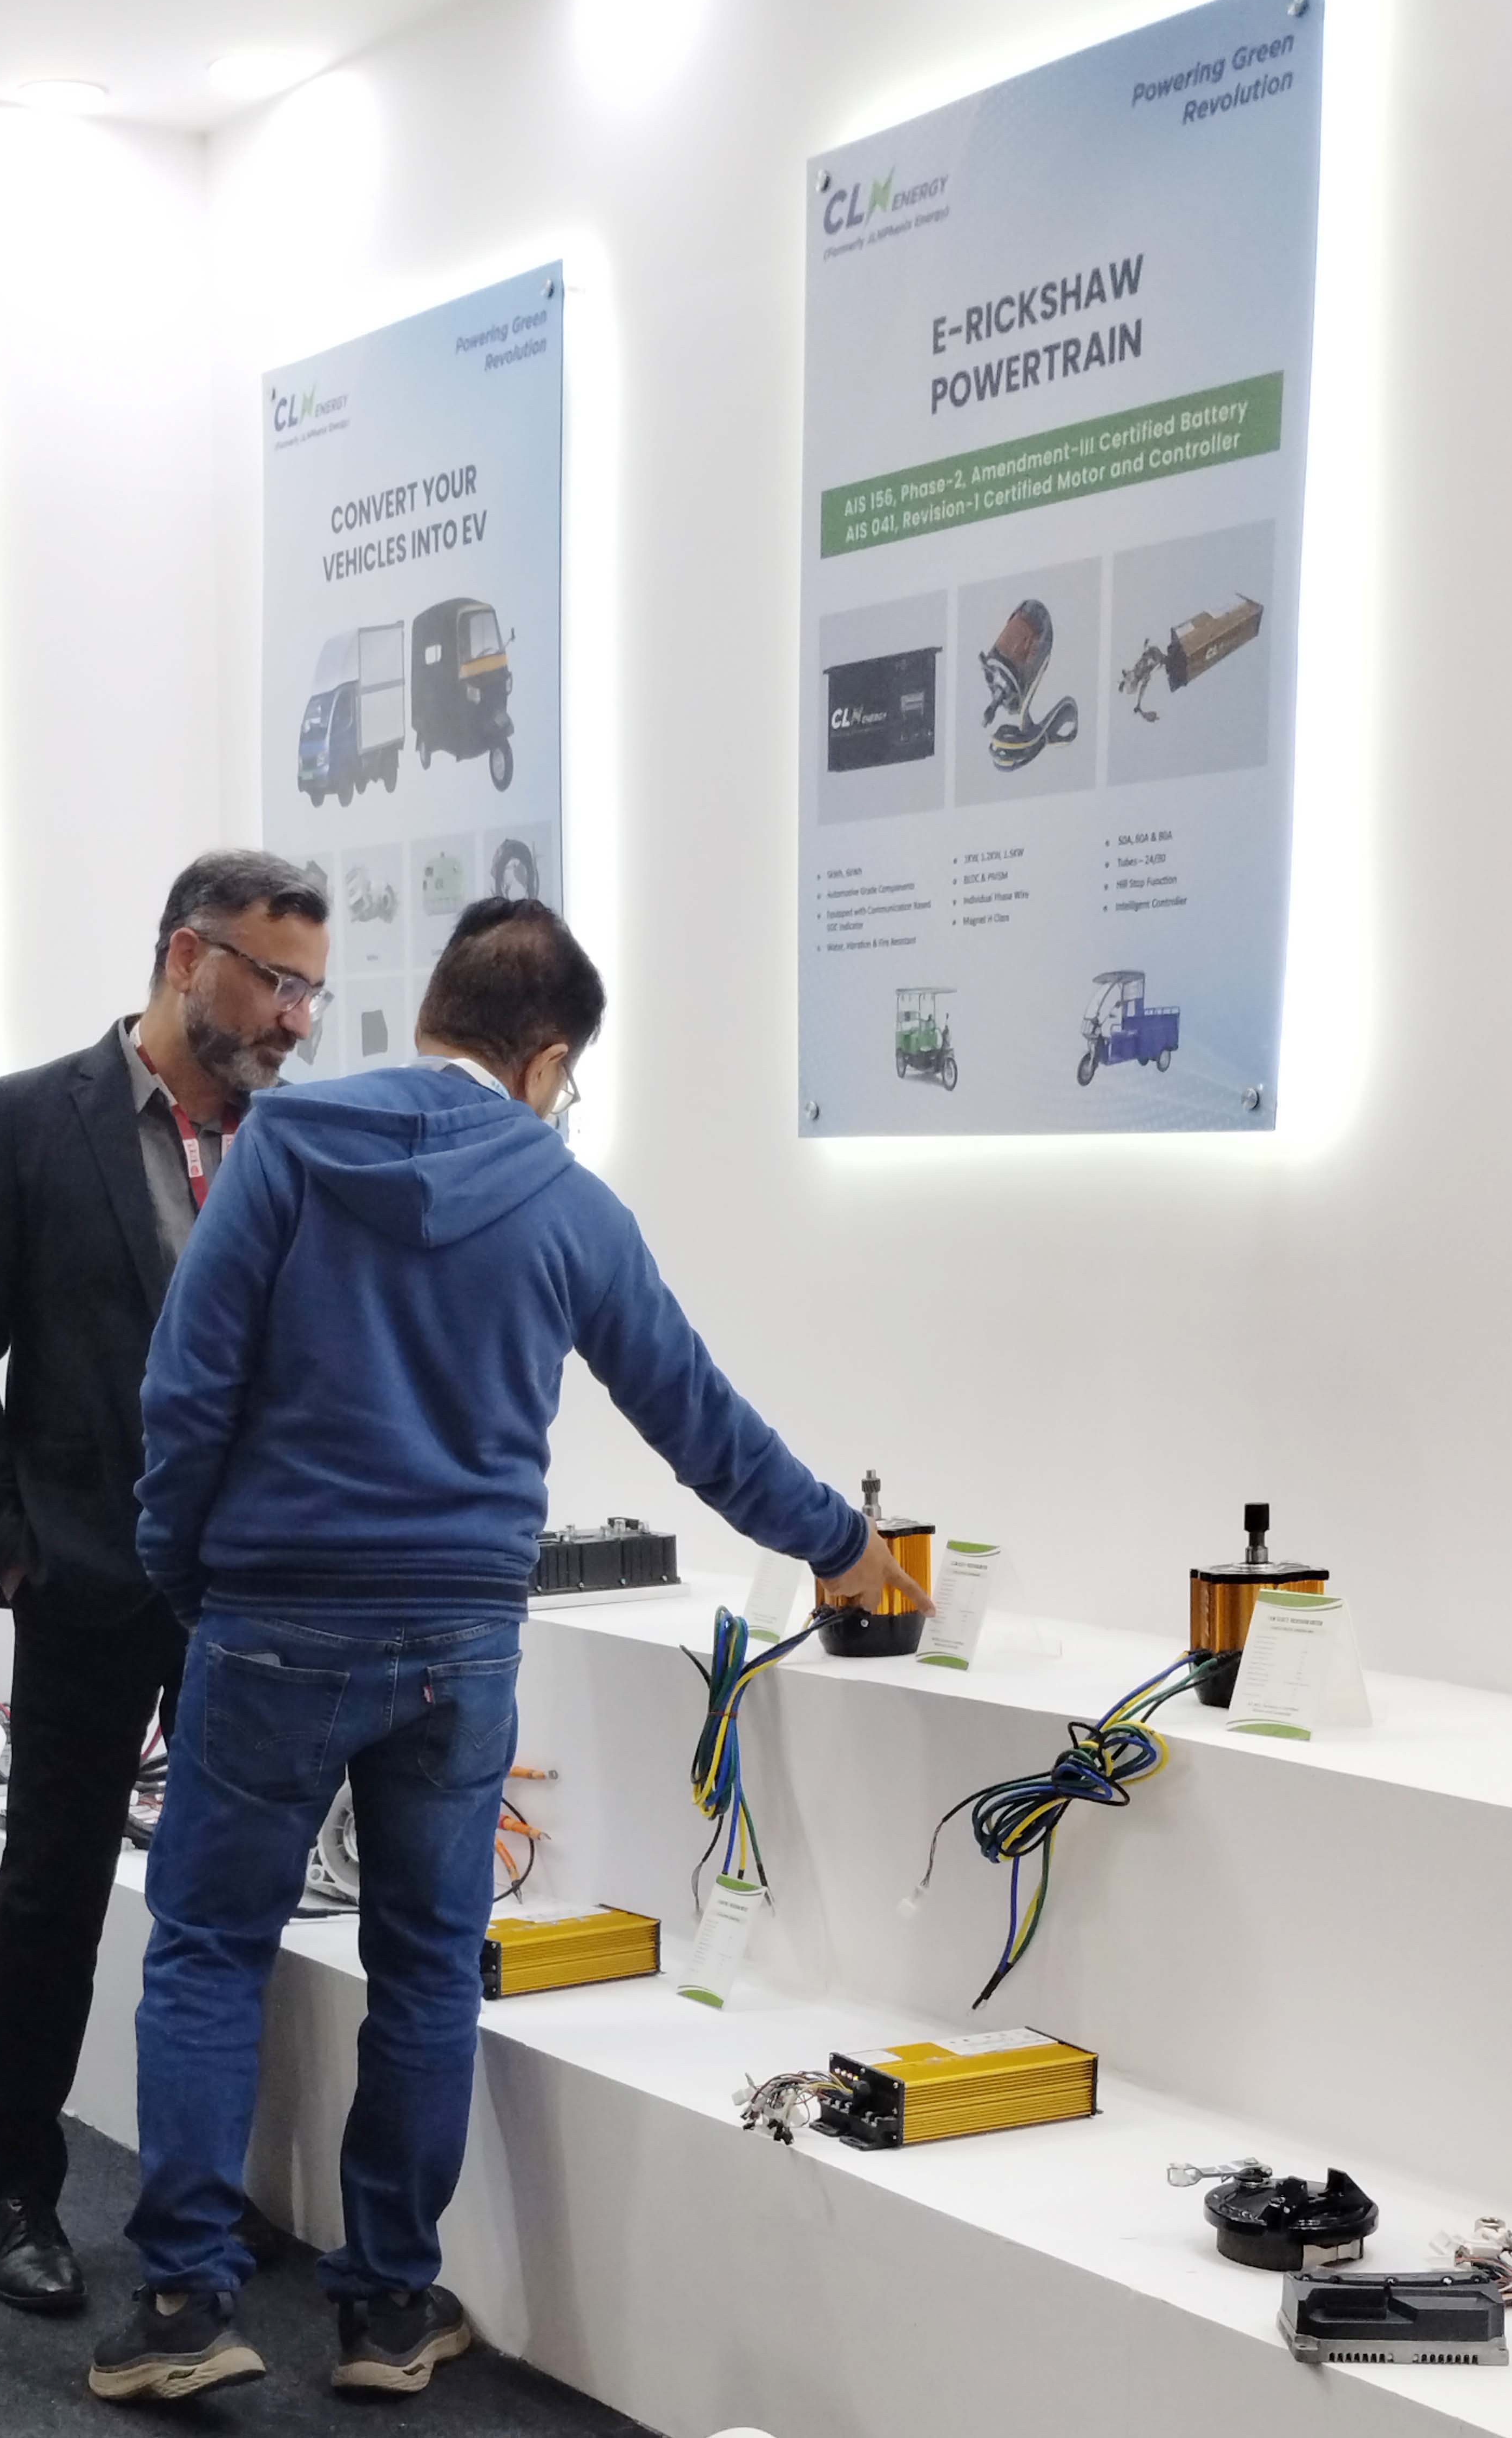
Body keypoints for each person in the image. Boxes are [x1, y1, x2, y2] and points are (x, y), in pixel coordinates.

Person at [94, 899, 912, 2403]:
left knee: (208, 1945)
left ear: (435, 1010)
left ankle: (186, 2304)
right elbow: (699, 1417)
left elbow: (186, 1384)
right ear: (542, 1059)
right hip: (462, 1638)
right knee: (425, 1967)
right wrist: (840, 1542)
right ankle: (387, 2310)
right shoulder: (567, 1202)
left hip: (273, 1615)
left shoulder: (284, 1145)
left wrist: (183, 1568)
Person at [0, 850, 333, 2315]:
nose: (294, 1019)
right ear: (185, 956)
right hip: (87, 1575)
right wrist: (4, 1537)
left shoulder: (293, 1141)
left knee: (222, 1902)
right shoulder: (33, 1119)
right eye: (274, 982)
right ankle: (18, 2190)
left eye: (311, 992)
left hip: (251, 1590)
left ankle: (195, 2189)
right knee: (55, 1889)